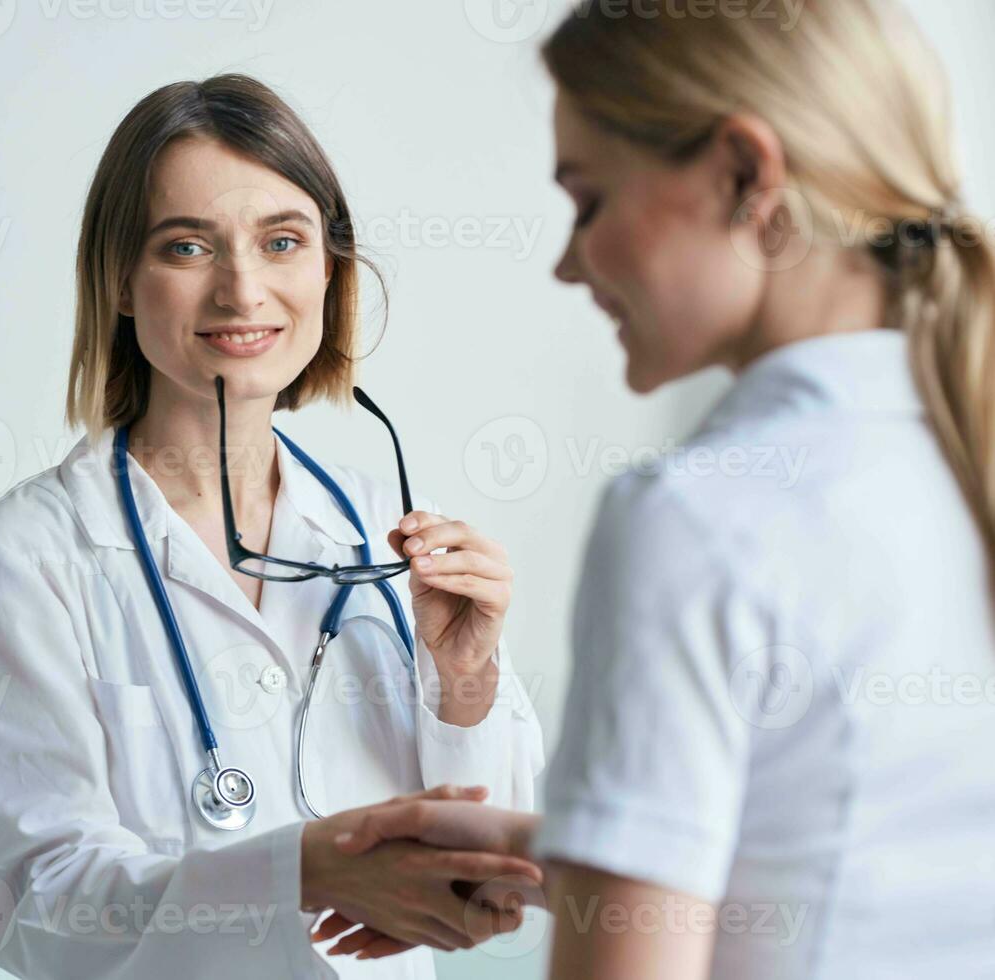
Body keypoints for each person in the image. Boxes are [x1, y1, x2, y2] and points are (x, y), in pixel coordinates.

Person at [309, 1, 995, 976]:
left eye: (587, 201)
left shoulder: (697, 518)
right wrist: (578, 854)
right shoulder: (955, 454)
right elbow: (881, 861)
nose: (566, 260)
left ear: (742, 176)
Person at [0, 73, 545, 979]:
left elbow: (502, 862)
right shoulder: (18, 558)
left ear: (327, 267)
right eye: (186, 247)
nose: (242, 288)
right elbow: (38, 909)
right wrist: (297, 872)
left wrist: (463, 680)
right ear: (122, 282)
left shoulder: (385, 526)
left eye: (282, 241)